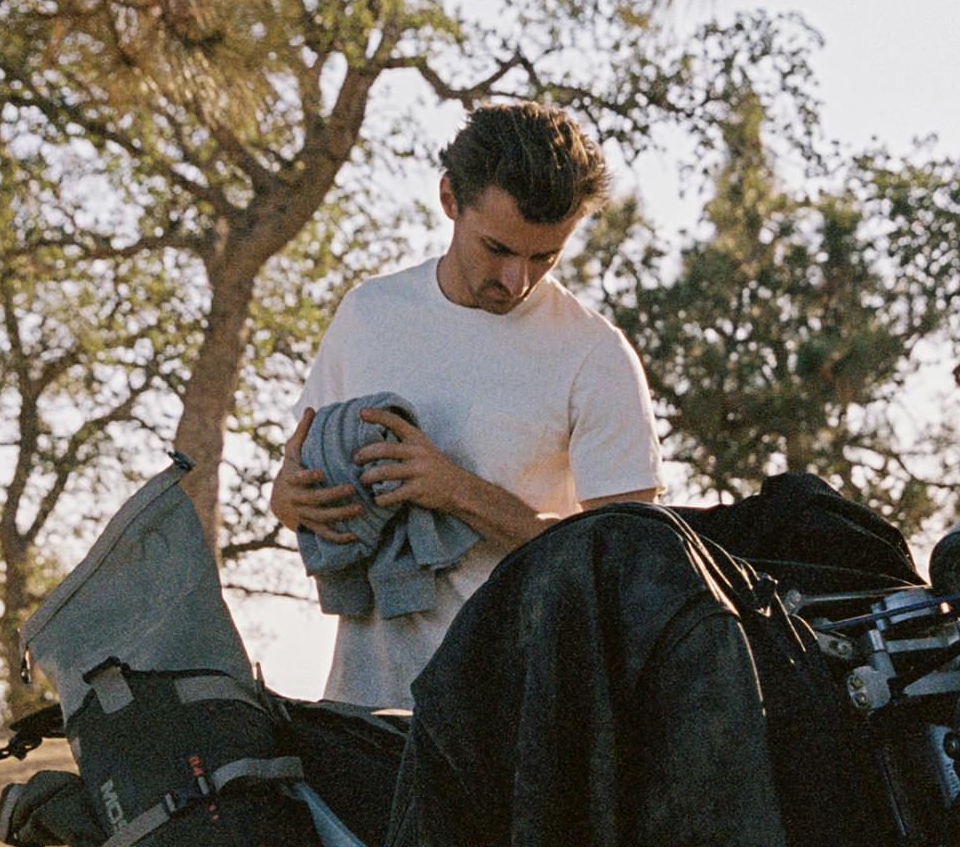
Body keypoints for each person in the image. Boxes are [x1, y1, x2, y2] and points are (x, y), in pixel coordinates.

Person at [269, 101, 664, 708]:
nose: (517, 281)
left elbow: (627, 569)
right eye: (498, 248)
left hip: (510, 722)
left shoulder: (596, 355)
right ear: (450, 198)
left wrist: (458, 491)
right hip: (359, 709)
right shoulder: (369, 314)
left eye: (544, 256)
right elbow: (292, 490)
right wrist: (292, 502)